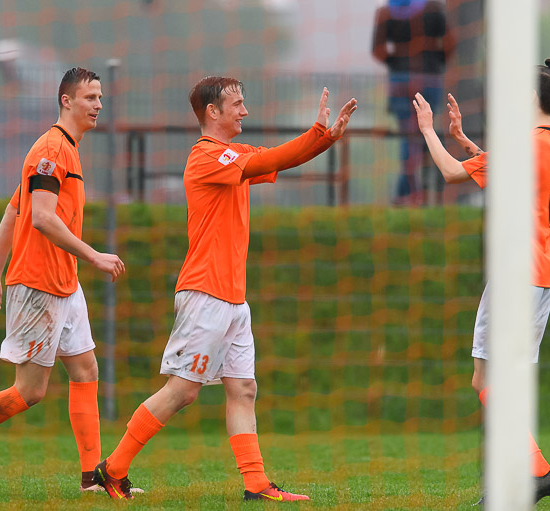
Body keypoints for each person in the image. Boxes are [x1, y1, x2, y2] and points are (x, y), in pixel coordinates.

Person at [92, 77, 357, 501]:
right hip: (205, 294)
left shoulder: (234, 154)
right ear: (212, 112)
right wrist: (317, 132)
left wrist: (327, 138)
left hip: (233, 299)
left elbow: (280, 158)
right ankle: (113, 468)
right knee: (183, 391)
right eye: (237, 104)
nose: (245, 111)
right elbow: (272, 157)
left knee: (243, 389)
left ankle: (256, 484)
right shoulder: (206, 156)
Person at [0, 67, 127, 494]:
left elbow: (14, 212)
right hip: (38, 285)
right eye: (90, 97)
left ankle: (92, 478)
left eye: (100, 97)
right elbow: (42, 219)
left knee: (85, 369)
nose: (98, 105)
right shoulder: (51, 149)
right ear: (66, 101)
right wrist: (93, 255)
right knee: (29, 391)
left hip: (64, 283)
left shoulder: (67, 149)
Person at [412, 59, 550, 504]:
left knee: (488, 381)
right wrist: (464, 141)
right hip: (541, 275)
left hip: (516, 275)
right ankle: (518, 475)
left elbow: (450, 174)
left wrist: (428, 131)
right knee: (494, 381)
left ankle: (535, 471)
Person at [372, 0, 455, 205]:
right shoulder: (434, 8)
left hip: (400, 81)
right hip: (429, 79)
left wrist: (395, 61)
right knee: (426, 132)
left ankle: (408, 193)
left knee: (409, 136)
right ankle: (428, 188)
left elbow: (378, 50)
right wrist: (435, 61)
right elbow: (449, 43)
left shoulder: (385, 12)